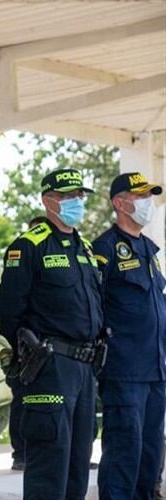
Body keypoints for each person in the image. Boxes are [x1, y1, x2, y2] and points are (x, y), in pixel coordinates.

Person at [0, 168, 103, 500]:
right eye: (68, 197)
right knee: (49, 466)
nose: (76, 203)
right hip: (49, 367)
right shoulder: (28, 246)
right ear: (48, 201)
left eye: (79, 197)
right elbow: (8, 312)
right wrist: (31, 353)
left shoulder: (84, 247)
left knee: (77, 464)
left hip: (84, 368)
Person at [93, 172, 166, 500]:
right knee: (124, 453)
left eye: (148, 196)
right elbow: (93, 309)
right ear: (119, 203)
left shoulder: (150, 251)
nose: (147, 204)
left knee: (151, 456)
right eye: (140, 197)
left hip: (156, 371)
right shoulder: (103, 249)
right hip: (124, 373)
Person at [0, 214, 49, 472]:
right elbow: (9, 308)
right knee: (21, 401)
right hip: (25, 346)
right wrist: (20, 343)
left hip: (48, 349)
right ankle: (20, 452)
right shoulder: (23, 252)